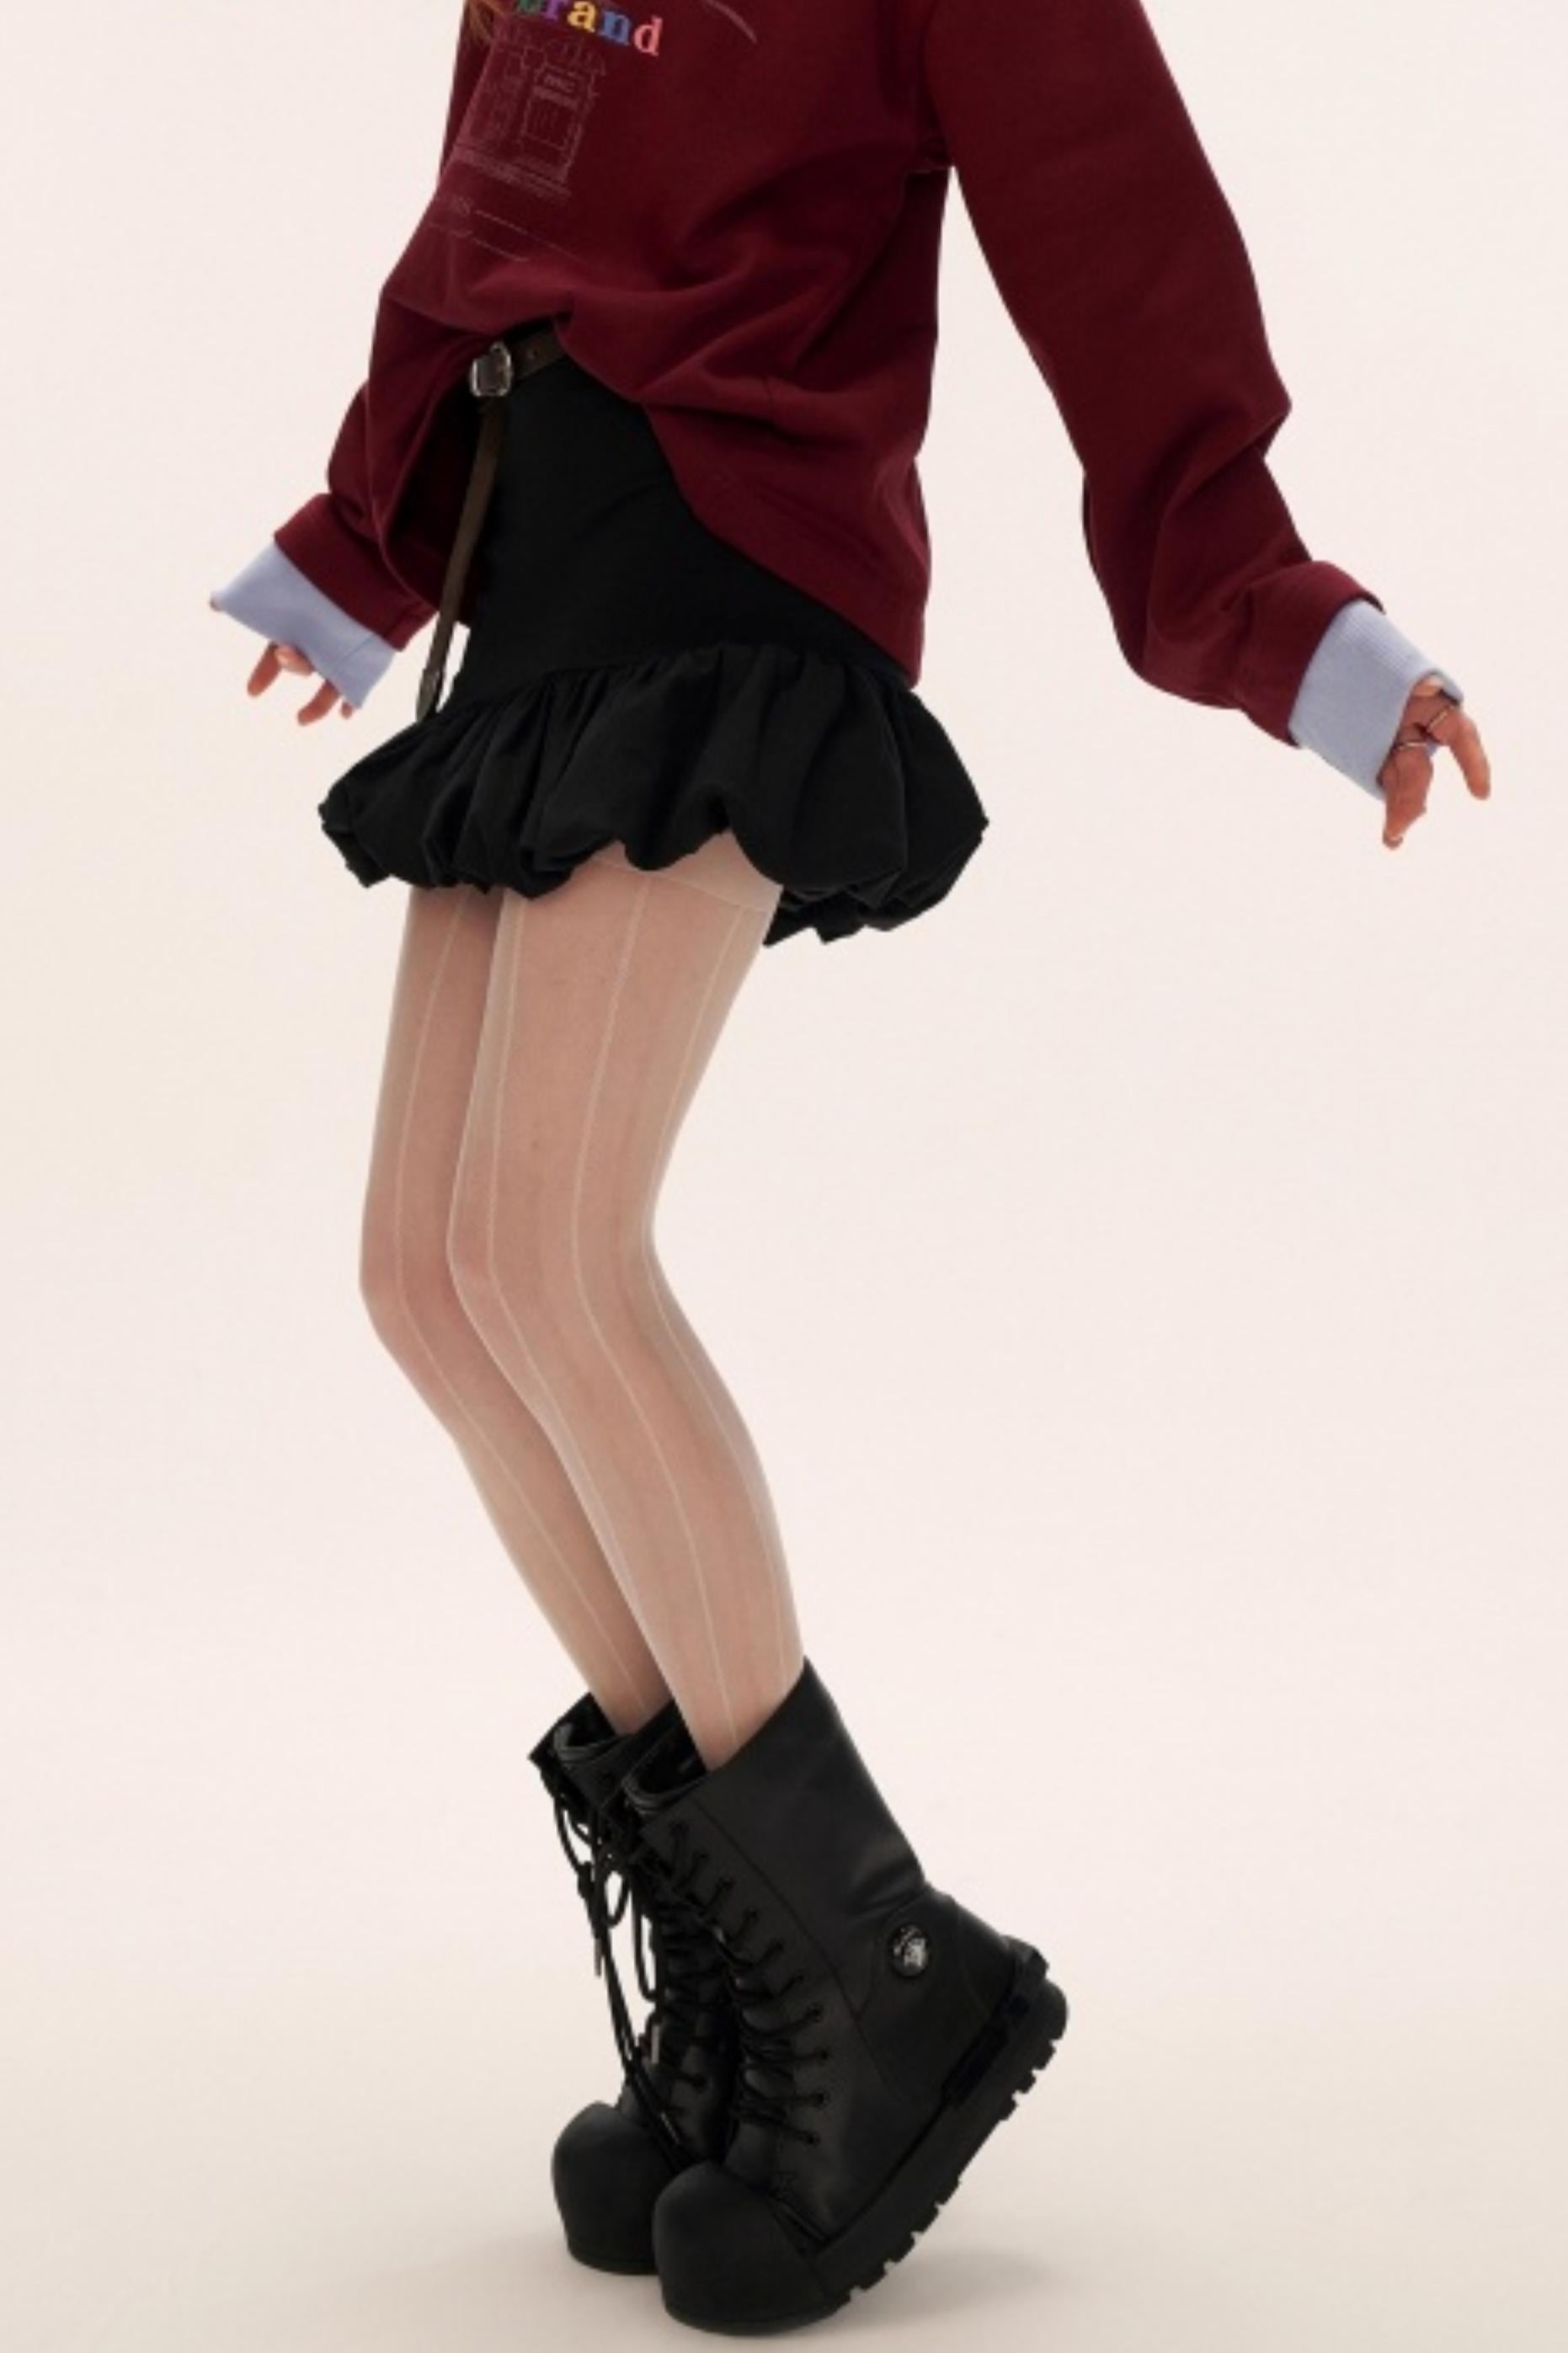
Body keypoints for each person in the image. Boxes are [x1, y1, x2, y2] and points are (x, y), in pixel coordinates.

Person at [208, 0, 1492, 2333]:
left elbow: (1120, 243)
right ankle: (747, 1958)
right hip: (538, 555)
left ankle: (881, 1976)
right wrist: (369, 535)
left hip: (727, 551)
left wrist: (1285, 622)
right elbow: (491, 194)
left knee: (552, 1246)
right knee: (428, 1270)